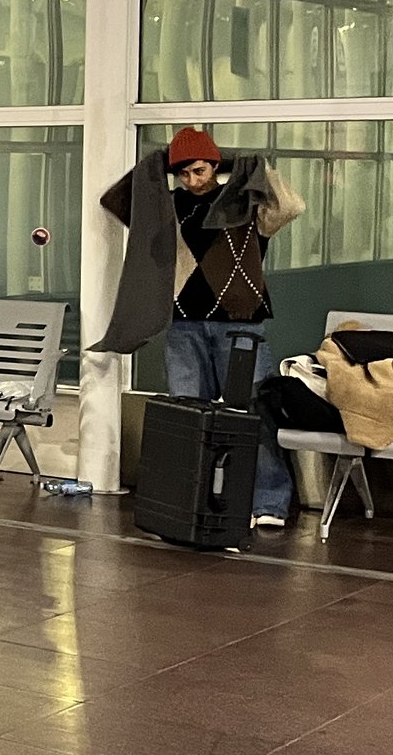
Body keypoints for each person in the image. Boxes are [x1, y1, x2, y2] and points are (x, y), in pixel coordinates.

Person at [94, 127, 305, 529]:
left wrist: (246, 164)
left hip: (240, 326)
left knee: (252, 413)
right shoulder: (167, 208)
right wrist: (158, 162)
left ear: (214, 166)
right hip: (184, 324)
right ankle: (194, 499)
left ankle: (269, 501)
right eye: (183, 173)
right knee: (188, 414)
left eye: (200, 170)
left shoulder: (244, 203)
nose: (192, 180)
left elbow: (290, 206)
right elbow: (115, 201)